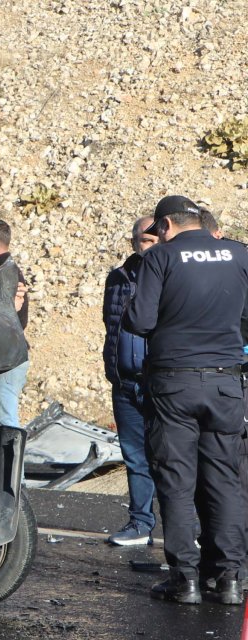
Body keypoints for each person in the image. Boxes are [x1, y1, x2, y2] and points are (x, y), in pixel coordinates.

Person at [123, 195, 248, 605]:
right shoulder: (238, 253)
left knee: (176, 481)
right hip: (226, 382)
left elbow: (139, 321)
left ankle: (186, 578)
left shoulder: (162, 257)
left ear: (164, 227)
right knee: (226, 479)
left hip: (174, 381)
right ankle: (229, 577)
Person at [102, 216, 159, 547]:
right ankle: (140, 523)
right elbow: (111, 326)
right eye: (143, 240)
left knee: (173, 458)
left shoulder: (172, 278)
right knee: (135, 457)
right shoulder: (118, 278)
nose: (147, 246)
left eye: (154, 240)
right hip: (124, 382)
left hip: (161, 383)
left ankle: (191, 529)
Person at [0, 219, 30, 429]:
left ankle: (13, 461)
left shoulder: (2, 274)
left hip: (8, 359)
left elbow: (16, 320)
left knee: (5, 420)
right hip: (11, 357)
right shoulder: (6, 270)